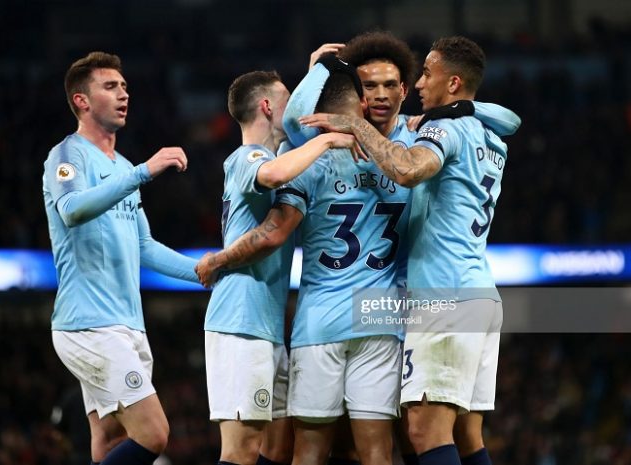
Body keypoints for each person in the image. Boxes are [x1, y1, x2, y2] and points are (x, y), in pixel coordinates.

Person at [287, 33, 520, 465]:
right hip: (479, 293)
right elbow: (506, 118)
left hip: (442, 296)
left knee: (423, 431)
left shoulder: (437, 130)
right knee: (467, 435)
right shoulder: (488, 131)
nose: (416, 87)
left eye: (425, 75)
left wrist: (354, 121)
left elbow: (410, 170)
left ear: (452, 84)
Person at [198, 65, 405, 465]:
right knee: (245, 448)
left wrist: (217, 260)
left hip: (299, 324)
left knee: (286, 449)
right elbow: (275, 174)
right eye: (289, 96)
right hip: (251, 320)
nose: (298, 105)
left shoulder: (300, 161)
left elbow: (276, 228)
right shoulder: (253, 157)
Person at [42, 51, 200, 465]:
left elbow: (144, 247)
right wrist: (145, 171)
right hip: (89, 325)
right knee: (154, 434)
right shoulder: (67, 155)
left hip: (128, 324)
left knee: (111, 441)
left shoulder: (124, 166)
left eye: (124, 86)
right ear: (82, 100)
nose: (123, 93)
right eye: (110, 86)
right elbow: (72, 209)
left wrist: (204, 271)